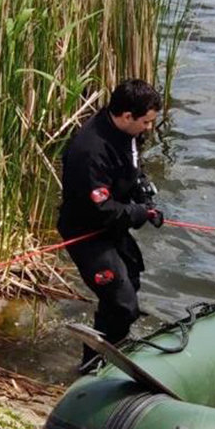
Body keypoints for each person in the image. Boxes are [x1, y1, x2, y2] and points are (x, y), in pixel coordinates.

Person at [57, 79, 164, 372]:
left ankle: (110, 348)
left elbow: (128, 164)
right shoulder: (90, 151)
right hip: (87, 232)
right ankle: (91, 367)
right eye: (146, 122)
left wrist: (140, 188)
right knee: (122, 305)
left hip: (110, 227)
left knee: (131, 282)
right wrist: (138, 213)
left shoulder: (124, 130)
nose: (149, 128)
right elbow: (101, 210)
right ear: (127, 116)